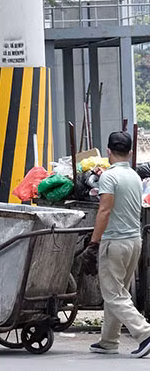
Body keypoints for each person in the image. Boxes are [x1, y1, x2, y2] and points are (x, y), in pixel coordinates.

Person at [82, 131, 150, 358]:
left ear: (108, 152)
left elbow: (104, 210)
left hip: (116, 242)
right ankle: (109, 341)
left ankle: (145, 334)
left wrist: (93, 242)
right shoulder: (134, 176)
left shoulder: (108, 177)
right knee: (118, 291)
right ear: (130, 153)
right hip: (134, 242)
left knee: (113, 293)